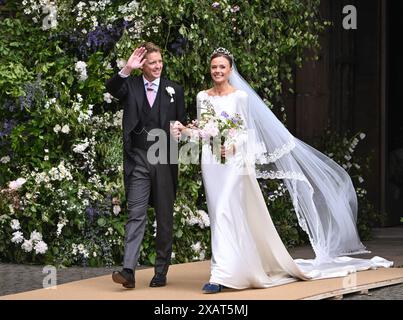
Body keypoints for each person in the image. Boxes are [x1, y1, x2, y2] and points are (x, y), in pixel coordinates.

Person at [177, 47, 392, 294]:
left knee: (226, 209)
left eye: (222, 67)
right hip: (212, 161)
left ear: (230, 70)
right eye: (214, 67)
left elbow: (247, 132)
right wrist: (185, 131)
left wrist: (233, 146)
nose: (217, 71)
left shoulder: (240, 97)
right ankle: (235, 265)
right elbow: (203, 130)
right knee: (219, 214)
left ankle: (219, 274)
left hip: (234, 162)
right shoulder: (203, 97)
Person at [105, 42, 185, 289]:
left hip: (164, 156)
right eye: (152, 62)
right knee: (136, 213)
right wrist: (126, 69)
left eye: (160, 61)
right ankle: (128, 270)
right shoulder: (131, 84)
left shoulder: (175, 89)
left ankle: (160, 271)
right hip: (138, 157)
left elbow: (182, 122)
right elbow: (111, 89)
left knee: (164, 216)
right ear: (142, 66)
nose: (158, 66)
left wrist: (180, 136)